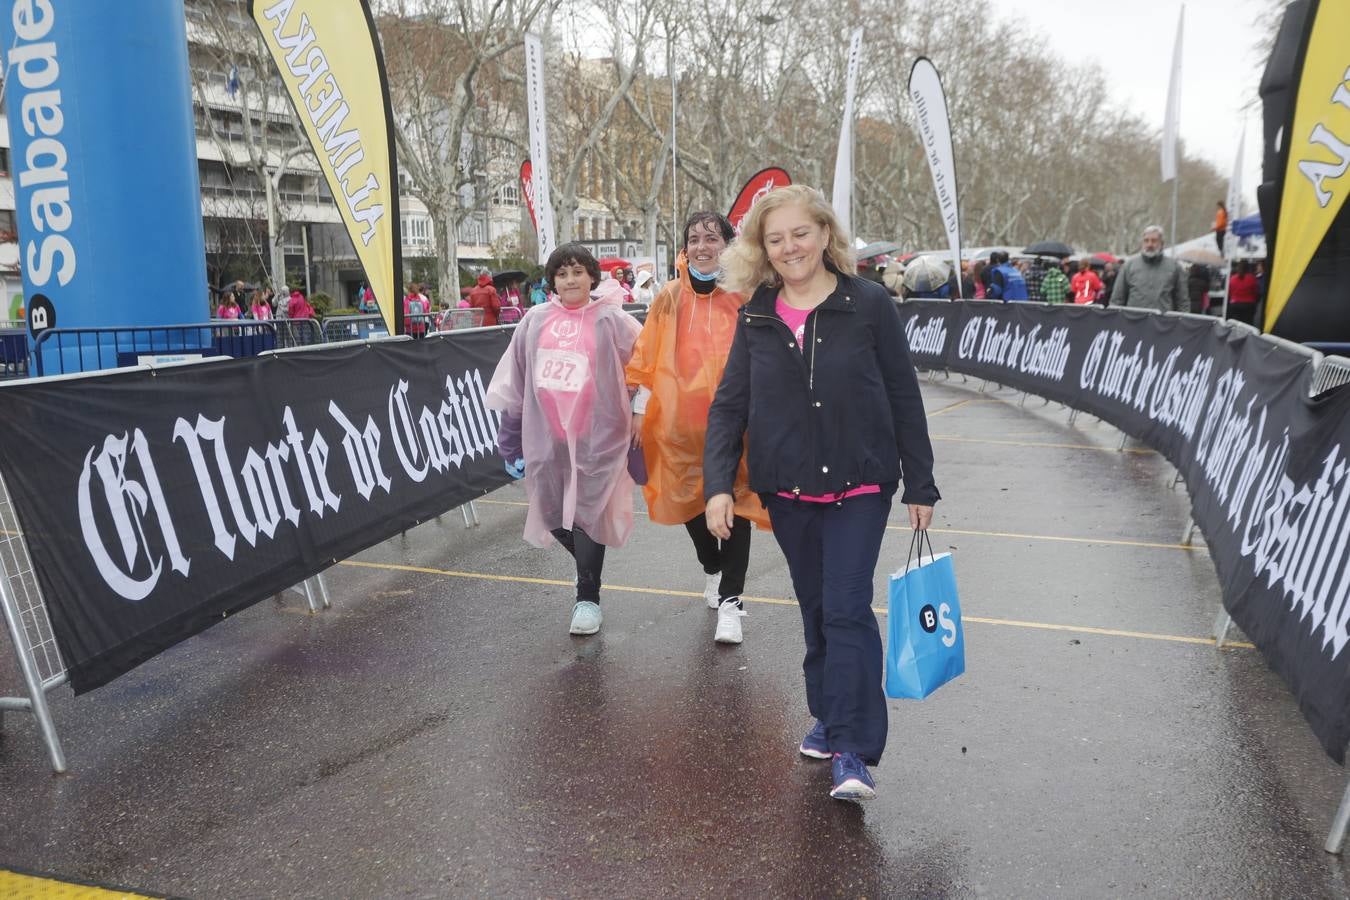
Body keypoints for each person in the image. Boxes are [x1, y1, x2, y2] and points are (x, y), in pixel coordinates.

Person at [705, 185, 940, 802]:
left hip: (859, 484)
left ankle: (854, 749)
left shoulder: (869, 305)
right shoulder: (756, 312)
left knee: (844, 607)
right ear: (762, 248)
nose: (789, 248)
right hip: (787, 489)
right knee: (815, 608)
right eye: (775, 239)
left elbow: (902, 393)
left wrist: (921, 479)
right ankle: (828, 713)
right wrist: (718, 486)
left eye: (799, 234)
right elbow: (731, 404)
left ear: (825, 235)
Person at [626, 212, 770, 645]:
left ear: (729, 244)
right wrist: (639, 410)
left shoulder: (748, 294)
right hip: (681, 429)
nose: (704, 246)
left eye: (713, 237)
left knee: (739, 506)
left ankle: (731, 602)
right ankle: (712, 566)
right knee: (692, 507)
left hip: (740, 428)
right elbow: (647, 356)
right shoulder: (670, 297)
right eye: (695, 239)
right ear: (685, 249)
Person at [486, 243, 641, 637]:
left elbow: (644, 362)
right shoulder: (535, 320)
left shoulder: (611, 320)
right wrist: (510, 436)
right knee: (552, 511)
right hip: (547, 437)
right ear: (552, 280)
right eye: (561, 273)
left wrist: (640, 411)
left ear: (592, 276)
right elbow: (517, 377)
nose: (570, 280)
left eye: (577, 272)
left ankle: (587, 597)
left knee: (588, 510)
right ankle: (586, 566)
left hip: (598, 438)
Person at [1111, 225, 1186, 312]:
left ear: (1162, 243)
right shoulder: (1129, 266)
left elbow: (1182, 302)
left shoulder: (1174, 267)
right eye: (1146, 241)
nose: (1149, 244)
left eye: (1154, 241)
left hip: (1163, 323)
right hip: (1134, 322)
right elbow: (1117, 300)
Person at [1227, 259, 1259, 325]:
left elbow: (1229, 292)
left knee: (1235, 325)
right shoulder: (1252, 278)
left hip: (1235, 305)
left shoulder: (1232, 278)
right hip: (1248, 306)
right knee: (1248, 325)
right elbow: (1255, 292)